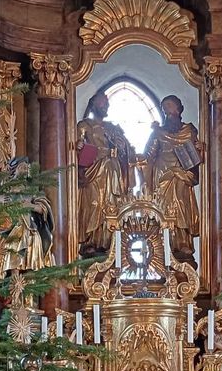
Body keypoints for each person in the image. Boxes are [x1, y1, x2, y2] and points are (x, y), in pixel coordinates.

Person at [144, 95, 203, 263]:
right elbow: (149, 154)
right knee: (164, 209)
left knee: (182, 207)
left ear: (178, 109)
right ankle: (163, 244)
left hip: (182, 175)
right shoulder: (159, 132)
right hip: (162, 175)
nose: (166, 111)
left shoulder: (189, 131)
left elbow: (198, 155)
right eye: (164, 108)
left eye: (169, 106)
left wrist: (201, 150)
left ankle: (183, 243)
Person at [76, 90, 133, 256]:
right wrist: (78, 147)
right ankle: (91, 242)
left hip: (112, 170)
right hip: (93, 170)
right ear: (94, 104)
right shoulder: (84, 125)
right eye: (103, 102)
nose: (106, 105)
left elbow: (128, 151)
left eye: (107, 103)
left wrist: (121, 145)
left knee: (111, 205)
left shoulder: (113, 128)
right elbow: (75, 148)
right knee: (94, 204)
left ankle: (109, 242)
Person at [3, 157, 55, 273]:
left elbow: (43, 206)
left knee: (33, 261)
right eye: (21, 167)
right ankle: (14, 282)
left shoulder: (32, 189)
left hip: (31, 229)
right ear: (14, 170)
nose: (25, 170)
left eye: (26, 168)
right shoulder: (7, 189)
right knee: (14, 255)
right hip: (15, 229)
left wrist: (32, 206)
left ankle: (31, 284)